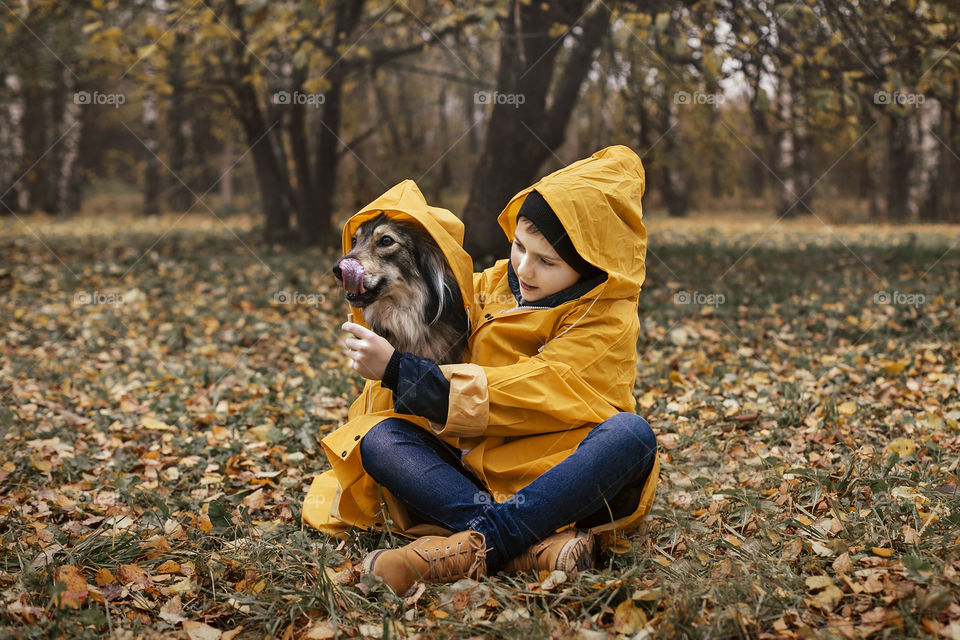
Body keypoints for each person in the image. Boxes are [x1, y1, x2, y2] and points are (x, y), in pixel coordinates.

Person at [301, 145, 659, 595]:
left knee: (632, 436)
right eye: (519, 247)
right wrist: (381, 307)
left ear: (591, 268)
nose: (524, 268)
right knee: (376, 437)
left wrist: (402, 371)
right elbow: (427, 305)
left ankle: (461, 551)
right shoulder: (492, 286)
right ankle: (534, 549)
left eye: (547, 261)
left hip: (564, 478)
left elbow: (540, 391)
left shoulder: (606, 320)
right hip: (472, 475)